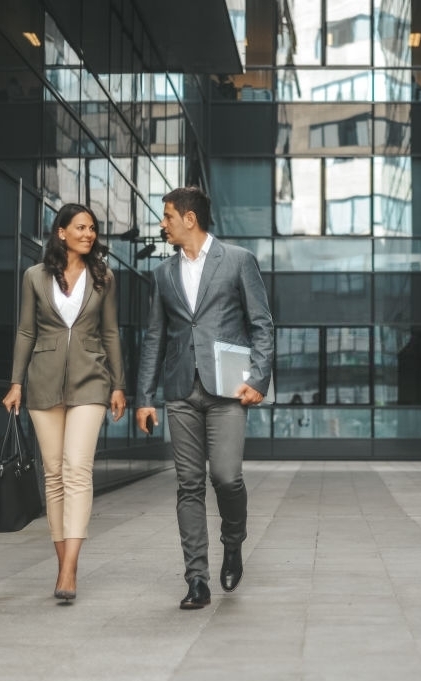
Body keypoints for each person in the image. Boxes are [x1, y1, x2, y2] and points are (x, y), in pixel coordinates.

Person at [136, 186, 274, 610]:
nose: (163, 224)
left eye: (168, 216)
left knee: (227, 477)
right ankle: (196, 578)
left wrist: (259, 379)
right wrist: (144, 396)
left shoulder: (237, 261)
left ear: (189, 219)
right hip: (180, 390)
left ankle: (233, 541)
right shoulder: (162, 274)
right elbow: (155, 337)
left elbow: (262, 325)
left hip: (228, 390)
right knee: (189, 485)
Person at [2, 203, 126, 602]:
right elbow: (25, 331)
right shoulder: (34, 277)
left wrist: (118, 386)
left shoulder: (104, 277)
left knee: (77, 469)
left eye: (92, 228)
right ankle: (62, 565)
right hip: (43, 382)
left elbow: (110, 334)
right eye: (80, 228)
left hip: (91, 382)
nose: (88, 234)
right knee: (53, 474)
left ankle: (70, 568)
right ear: (61, 233)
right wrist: (16, 382)